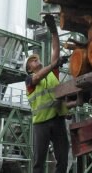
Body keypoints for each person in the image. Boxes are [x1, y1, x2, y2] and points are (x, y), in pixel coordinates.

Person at [25, 14, 69, 173]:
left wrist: (54, 32)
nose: (36, 59)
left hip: (57, 120)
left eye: (37, 58)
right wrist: (53, 65)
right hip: (41, 123)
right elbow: (38, 77)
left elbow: (55, 51)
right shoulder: (29, 80)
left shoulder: (52, 74)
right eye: (32, 60)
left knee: (63, 157)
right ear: (29, 68)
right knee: (39, 161)